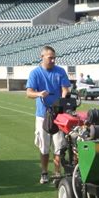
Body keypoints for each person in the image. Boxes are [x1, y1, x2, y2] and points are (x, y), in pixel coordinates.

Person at [26, 46, 71, 184]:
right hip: (43, 115)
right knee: (44, 147)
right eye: (50, 57)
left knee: (59, 146)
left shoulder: (60, 71)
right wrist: (39, 93)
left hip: (59, 115)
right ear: (42, 57)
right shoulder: (35, 73)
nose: (52, 60)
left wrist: (63, 98)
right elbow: (29, 93)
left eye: (54, 57)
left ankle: (57, 174)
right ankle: (44, 172)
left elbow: (65, 89)